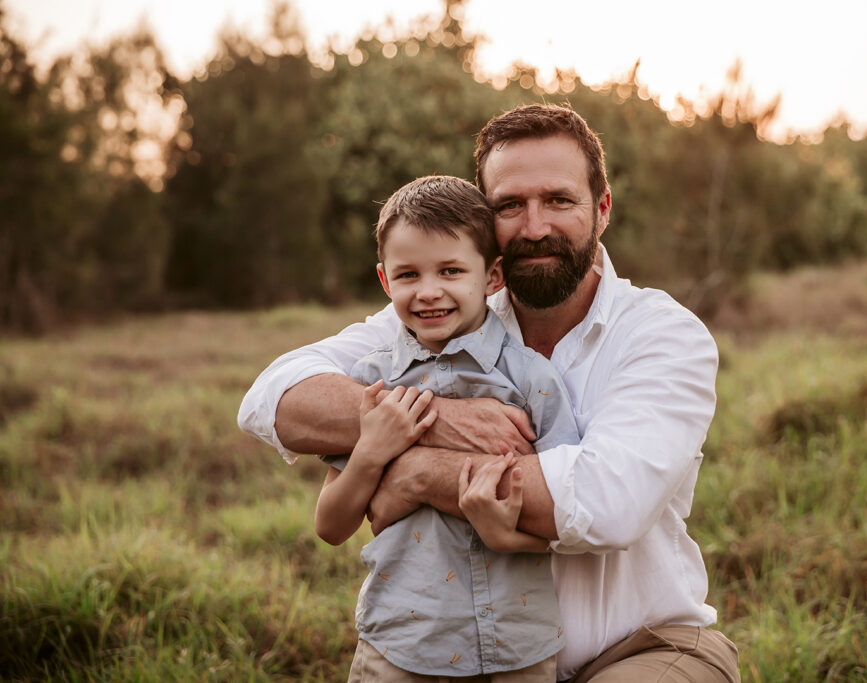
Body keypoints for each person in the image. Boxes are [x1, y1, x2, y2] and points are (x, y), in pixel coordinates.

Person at [238, 104, 740, 682]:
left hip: (640, 647)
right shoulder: (439, 312)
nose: (534, 227)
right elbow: (273, 397)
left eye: (558, 200)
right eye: (509, 206)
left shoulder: (661, 332)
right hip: (467, 659)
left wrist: (417, 471)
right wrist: (440, 420)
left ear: (601, 209)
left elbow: (605, 502)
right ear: (485, 221)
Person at [289, 175, 579, 680]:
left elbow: (568, 516)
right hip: (401, 645)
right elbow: (331, 526)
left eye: (450, 271)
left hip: (517, 646)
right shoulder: (373, 383)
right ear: (384, 282)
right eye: (407, 275)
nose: (428, 292)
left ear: (492, 277)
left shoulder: (532, 379)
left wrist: (507, 535)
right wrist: (371, 450)